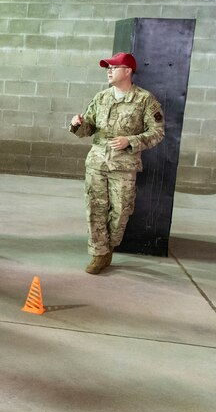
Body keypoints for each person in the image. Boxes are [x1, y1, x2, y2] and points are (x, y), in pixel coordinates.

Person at [69, 52, 165, 274]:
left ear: (128, 71)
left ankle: (108, 246)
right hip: (97, 163)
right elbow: (89, 128)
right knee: (95, 209)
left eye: (113, 67)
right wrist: (77, 124)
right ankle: (99, 254)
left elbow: (158, 132)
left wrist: (129, 141)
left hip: (124, 166)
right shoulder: (101, 97)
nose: (109, 71)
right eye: (107, 68)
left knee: (121, 211)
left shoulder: (144, 100)